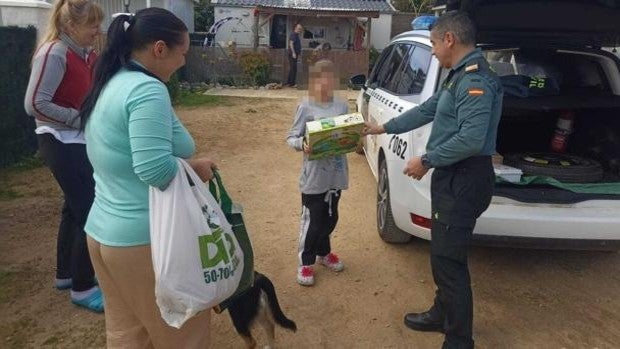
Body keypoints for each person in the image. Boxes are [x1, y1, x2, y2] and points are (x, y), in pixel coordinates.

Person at [363, 11, 503, 348]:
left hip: (464, 179)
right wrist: (383, 127)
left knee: (450, 263)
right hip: (454, 178)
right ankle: (442, 314)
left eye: (435, 43)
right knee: (442, 255)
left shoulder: (475, 81)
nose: (434, 50)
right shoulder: (457, 77)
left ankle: (458, 339)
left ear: (450, 40)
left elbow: (471, 139)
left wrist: (426, 160)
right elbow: (427, 110)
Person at [78, 8, 213, 347]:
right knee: (184, 334)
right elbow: (154, 170)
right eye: (182, 53)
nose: (183, 62)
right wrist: (194, 168)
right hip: (146, 239)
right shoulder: (147, 91)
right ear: (159, 49)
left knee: (128, 334)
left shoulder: (113, 80)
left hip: (105, 232)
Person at [23, 0, 104, 312]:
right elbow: (35, 104)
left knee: (74, 208)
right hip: (58, 140)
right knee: (90, 210)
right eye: (92, 24)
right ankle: (83, 287)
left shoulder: (85, 53)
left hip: (76, 140)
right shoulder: (54, 52)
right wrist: (77, 119)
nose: (98, 30)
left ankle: (66, 275)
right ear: (71, 26)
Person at [286, 60, 348, 286]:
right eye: (321, 78)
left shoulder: (342, 106)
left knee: (331, 217)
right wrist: (302, 143)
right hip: (313, 176)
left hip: (336, 174)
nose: (326, 83)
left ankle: (324, 253)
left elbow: (347, 134)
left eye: (331, 78)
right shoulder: (306, 106)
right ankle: (305, 262)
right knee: (313, 220)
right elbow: (291, 137)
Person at [285, 23, 303, 88]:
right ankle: (292, 84)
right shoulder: (293, 34)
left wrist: (298, 53)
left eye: (300, 29)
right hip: (292, 54)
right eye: (299, 28)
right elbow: (291, 44)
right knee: (293, 69)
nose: (299, 30)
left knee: (292, 68)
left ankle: (289, 82)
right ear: (295, 28)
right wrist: (293, 53)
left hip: (295, 54)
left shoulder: (297, 35)